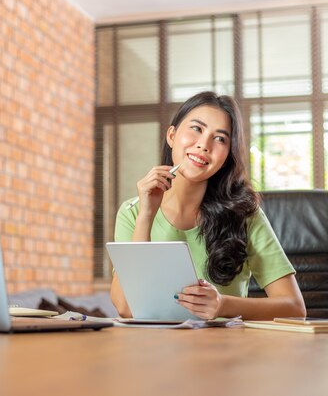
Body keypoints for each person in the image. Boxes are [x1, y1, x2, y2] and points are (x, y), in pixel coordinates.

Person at [110, 91, 306, 320]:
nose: (204, 145)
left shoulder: (244, 214)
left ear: (226, 156)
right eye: (196, 129)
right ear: (172, 135)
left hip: (223, 350)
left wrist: (222, 305)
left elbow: (294, 307)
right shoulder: (133, 211)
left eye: (220, 138)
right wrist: (147, 214)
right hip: (156, 350)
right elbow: (125, 307)